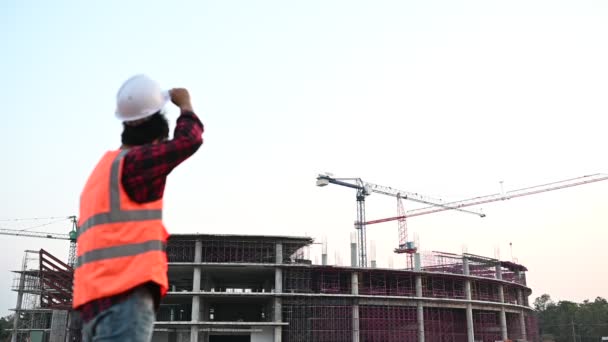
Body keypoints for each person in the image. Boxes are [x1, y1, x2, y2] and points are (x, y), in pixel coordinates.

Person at [72, 75, 204, 341]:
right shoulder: (135, 164)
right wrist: (186, 105)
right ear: (157, 139)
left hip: (93, 306)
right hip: (125, 298)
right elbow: (189, 140)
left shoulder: (103, 171)